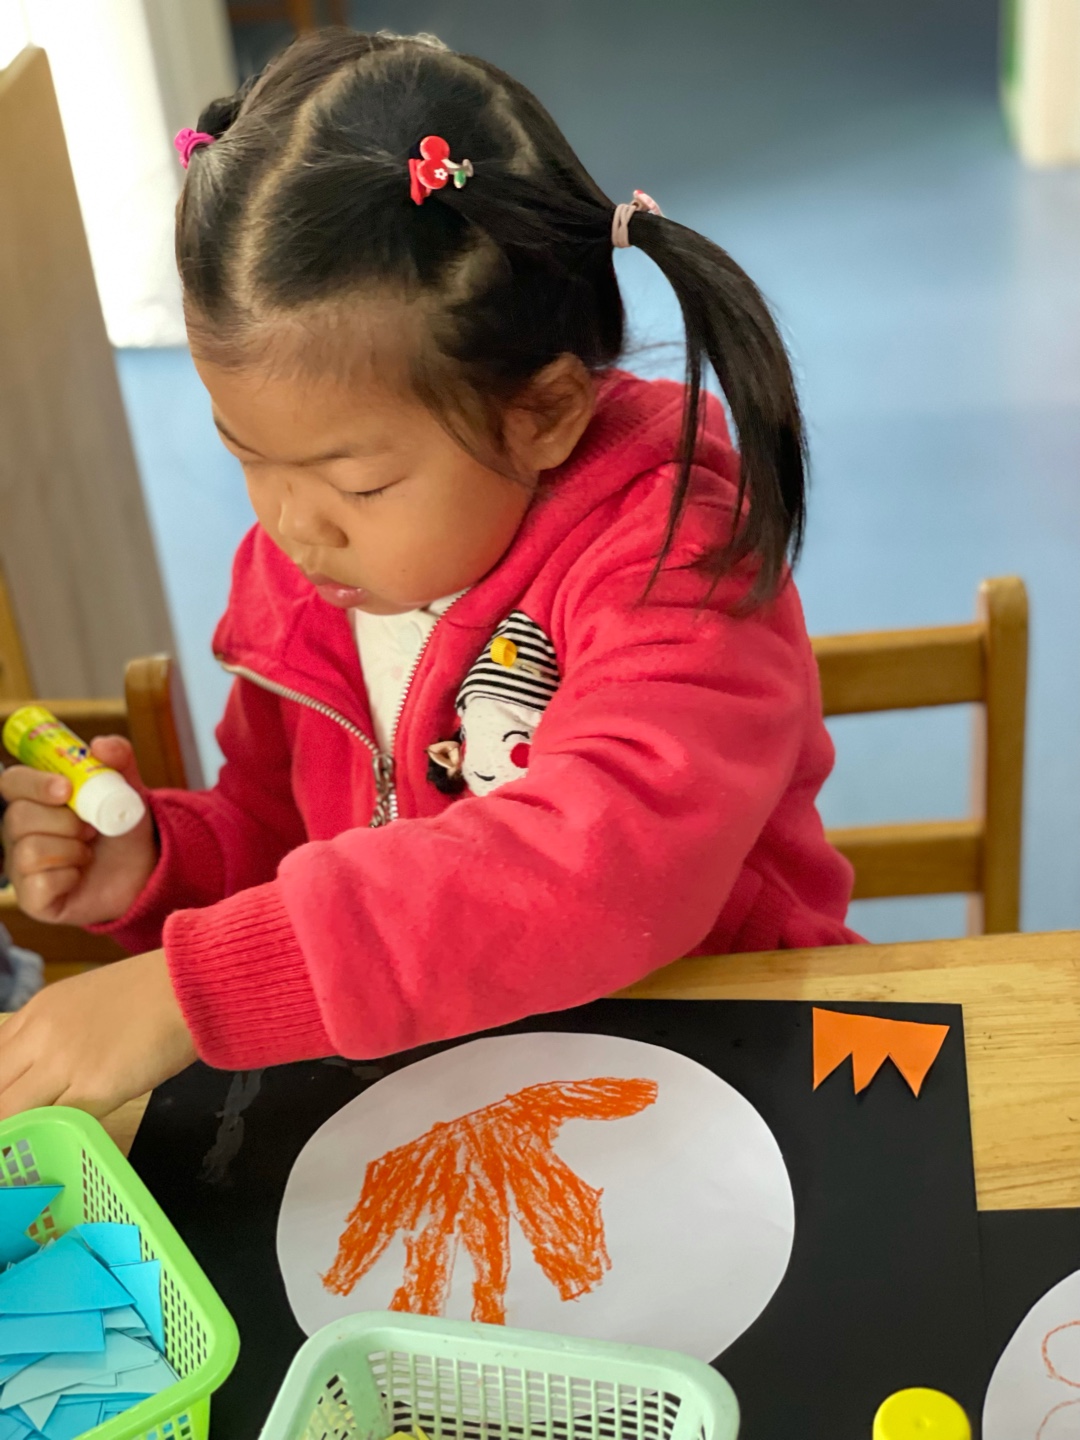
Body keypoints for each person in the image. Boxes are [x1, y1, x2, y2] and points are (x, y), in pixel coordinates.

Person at [0, 29, 860, 1120]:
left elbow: (606, 866)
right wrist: (162, 864)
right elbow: (282, 836)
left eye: (357, 483)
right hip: (465, 1080)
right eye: (246, 457)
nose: (291, 526)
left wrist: (194, 985)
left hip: (731, 1055)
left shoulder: (675, 555)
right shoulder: (308, 568)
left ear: (543, 414)